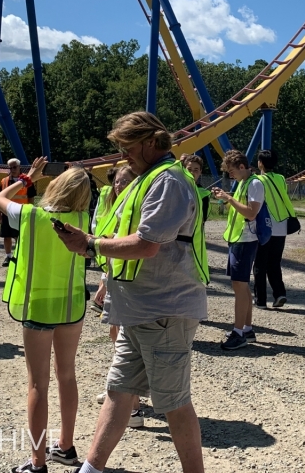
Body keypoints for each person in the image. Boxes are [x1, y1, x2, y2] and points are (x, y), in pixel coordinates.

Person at [54, 111, 208, 473]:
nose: (124, 156)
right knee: (119, 391)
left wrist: (90, 245)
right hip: (140, 308)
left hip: (163, 309)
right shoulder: (147, 178)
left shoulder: (167, 180)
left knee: (173, 402)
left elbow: (148, 244)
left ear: (153, 142)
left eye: (128, 147)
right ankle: (90, 469)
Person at [0, 167, 91, 472]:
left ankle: (37, 462)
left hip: (37, 305)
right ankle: (66, 446)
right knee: (67, 375)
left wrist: (26, 178)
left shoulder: (30, 216)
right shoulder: (84, 221)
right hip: (70, 304)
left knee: (38, 383)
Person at [89, 164, 144, 427]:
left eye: (125, 181)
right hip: (115, 279)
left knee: (127, 340)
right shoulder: (115, 208)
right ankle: (121, 391)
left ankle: (132, 406)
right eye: (118, 182)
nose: (120, 186)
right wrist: (104, 281)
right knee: (115, 334)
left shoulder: (136, 211)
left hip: (131, 284)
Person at [211, 149, 264, 351]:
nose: (230, 175)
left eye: (232, 171)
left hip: (246, 239)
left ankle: (239, 332)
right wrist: (228, 198)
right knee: (242, 287)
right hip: (238, 238)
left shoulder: (255, 183)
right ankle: (247, 329)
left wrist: (229, 199)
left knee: (239, 287)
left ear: (242, 167)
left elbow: (251, 213)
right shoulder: (244, 182)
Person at [254, 150, 294, 309]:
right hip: (282, 226)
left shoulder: (257, 180)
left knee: (259, 264)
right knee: (274, 263)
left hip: (265, 227)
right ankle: (279, 293)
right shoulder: (281, 178)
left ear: (260, 163)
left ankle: (260, 300)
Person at [0, 158, 37, 267]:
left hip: (21, 212)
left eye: (14, 167)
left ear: (19, 167)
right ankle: (9, 256)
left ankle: (19, 254)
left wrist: (30, 211)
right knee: (6, 236)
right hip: (6, 212)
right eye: (10, 167)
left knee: (19, 236)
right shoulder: (4, 181)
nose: (12, 169)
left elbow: (31, 197)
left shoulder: (28, 180)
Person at [180, 154, 210, 223]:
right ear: (184, 170)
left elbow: (202, 219)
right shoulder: (177, 189)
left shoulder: (203, 194)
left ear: (200, 172)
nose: (192, 173)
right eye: (189, 169)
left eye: (196, 170)